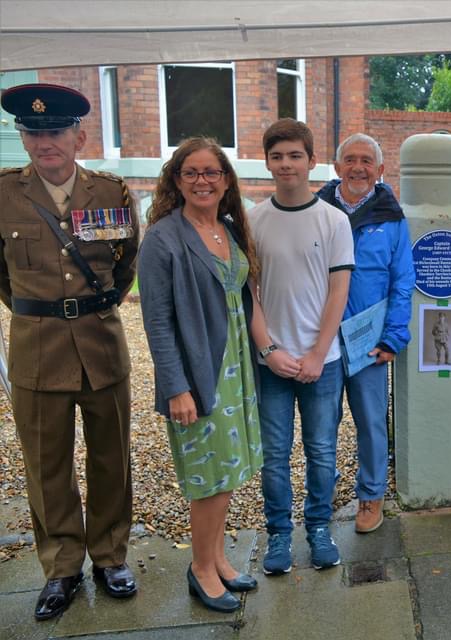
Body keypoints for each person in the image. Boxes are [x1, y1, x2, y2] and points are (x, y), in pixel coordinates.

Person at [0, 83, 140, 619]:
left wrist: (90, 308)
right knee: (46, 464)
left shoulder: (110, 193)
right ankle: (61, 567)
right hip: (37, 351)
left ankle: (109, 556)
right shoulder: (6, 193)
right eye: (32, 133)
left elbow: (125, 264)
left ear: (79, 135)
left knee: (111, 458)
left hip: (101, 345)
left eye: (54, 132)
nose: (43, 143)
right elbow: (4, 278)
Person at [139, 137, 268, 613]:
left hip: (234, 367)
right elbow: (156, 319)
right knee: (207, 475)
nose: (202, 181)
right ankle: (199, 568)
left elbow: (243, 297)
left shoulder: (230, 229)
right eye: (191, 173)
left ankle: (216, 558)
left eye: (211, 172)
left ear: (226, 179)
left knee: (227, 469)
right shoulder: (163, 237)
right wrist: (176, 386)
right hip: (199, 372)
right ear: (176, 180)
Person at [249, 119, 354, 573]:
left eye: (295, 155)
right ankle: (277, 534)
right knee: (274, 454)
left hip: (322, 362)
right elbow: (247, 292)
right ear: (267, 162)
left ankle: (318, 526)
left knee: (322, 451)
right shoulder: (251, 219)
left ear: (312, 161)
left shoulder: (334, 220)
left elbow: (339, 292)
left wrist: (316, 353)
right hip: (270, 360)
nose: (286, 164)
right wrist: (269, 349)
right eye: (278, 156)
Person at [317, 132, 414, 534]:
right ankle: (319, 498)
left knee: (372, 422)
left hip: (369, 341)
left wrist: (393, 337)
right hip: (320, 340)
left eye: (366, 161)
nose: (358, 168)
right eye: (350, 160)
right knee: (321, 426)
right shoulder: (315, 212)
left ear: (380, 169)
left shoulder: (392, 218)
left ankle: (371, 496)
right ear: (337, 167)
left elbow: (402, 280)